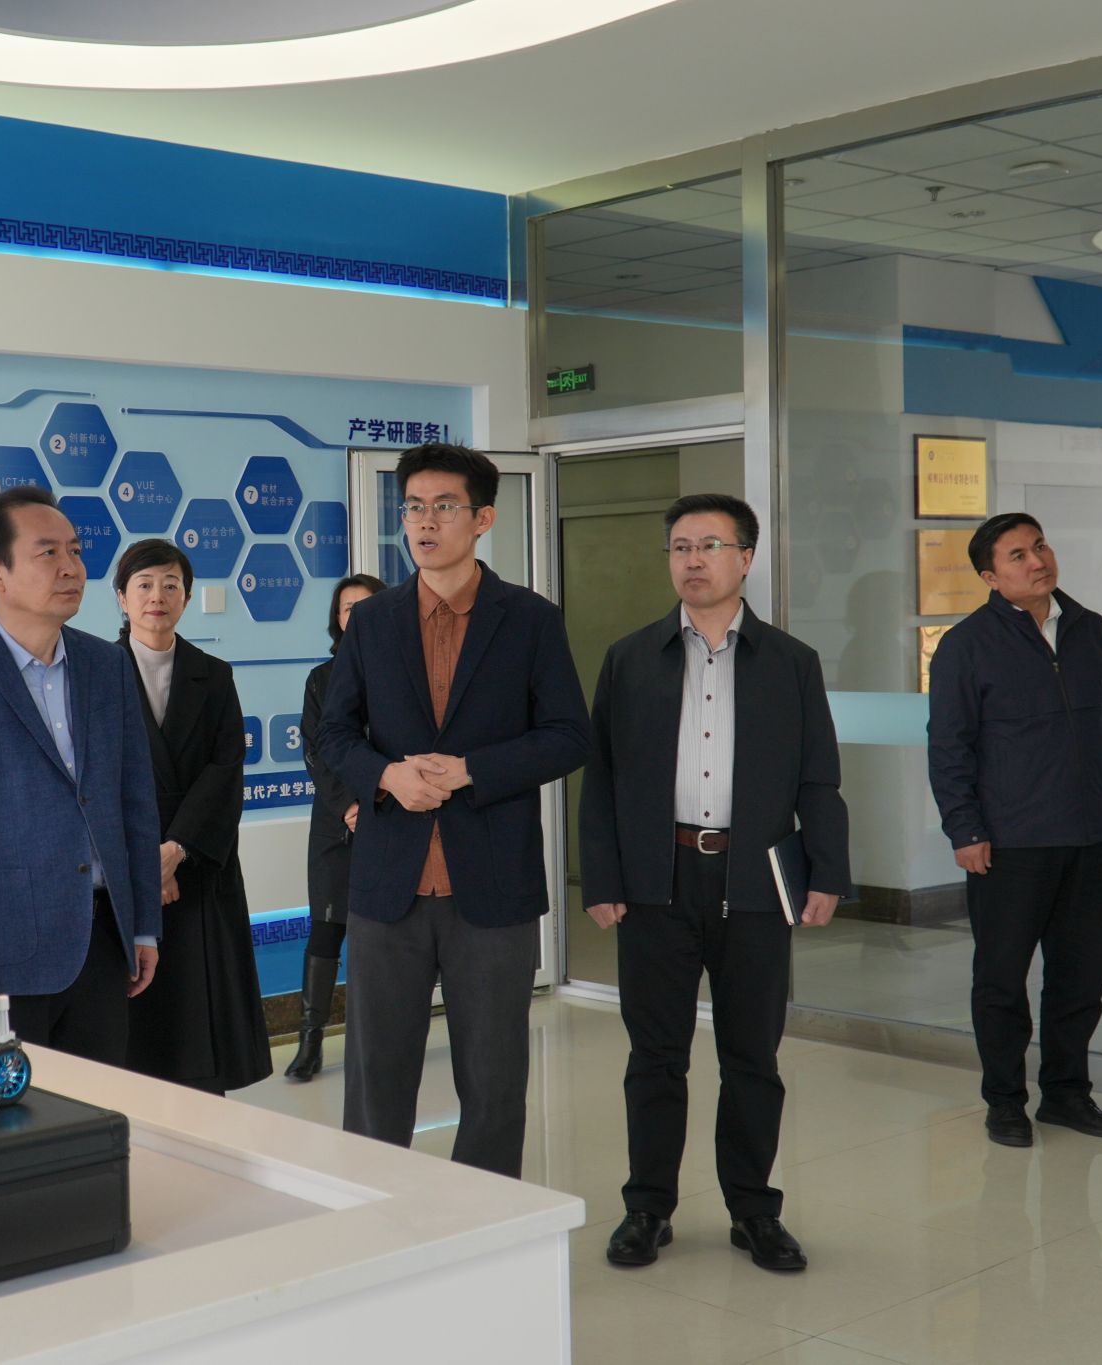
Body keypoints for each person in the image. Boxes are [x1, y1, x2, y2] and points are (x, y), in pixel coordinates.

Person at [580, 492, 850, 1273]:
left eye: (709, 545)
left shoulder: (791, 662)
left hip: (754, 883)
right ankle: (647, 1207)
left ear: (745, 558)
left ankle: (754, 1210)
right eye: (679, 547)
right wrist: (602, 876)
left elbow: (819, 778)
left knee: (752, 1057)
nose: (692, 560)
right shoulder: (630, 658)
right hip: (656, 882)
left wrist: (826, 871)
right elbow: (600, 780)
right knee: (655, 1055)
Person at [317, 443, 590, 1179]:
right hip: (388, 884)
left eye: (443, 506)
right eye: (413, 506)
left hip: (492, 886)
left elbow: (569, 735)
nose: (424, 521)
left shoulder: (530, 619)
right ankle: (376, 1213)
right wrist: (386, 776)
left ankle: (486, 1219)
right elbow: (334, 733)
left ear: (483, 519)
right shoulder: (373, 621)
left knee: (494, 1079)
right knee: (376, 1076)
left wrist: (473, 770)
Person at [0, 486, 162, 1065]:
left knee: (101, 1105)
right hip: (5, 957)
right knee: (16, 1109)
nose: (71, 567)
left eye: (75, 551)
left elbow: (135, 804)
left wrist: (143, 925)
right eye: (48, 553)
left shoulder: (107, 665)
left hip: (103, 942)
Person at [928, 512, 1102, 1147]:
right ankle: (1005, 1101)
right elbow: (950, 747)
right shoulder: (966, 644)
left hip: (1088, 836)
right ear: (990, 577)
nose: (1037, 560)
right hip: (1008, 843)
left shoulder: (1087, 628)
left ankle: (1067, 1095)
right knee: (1001, 980)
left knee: (1080, 978)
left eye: (1039, 545)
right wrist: (964, 829)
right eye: (1017, 555)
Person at [112, 538, 273, 1093]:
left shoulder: (214, 674)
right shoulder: (96, 672)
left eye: (171, 585)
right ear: (122, 598)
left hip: (199, 864)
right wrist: (146, 862)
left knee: (199, 1025)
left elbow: (226, 770)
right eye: (144, 585)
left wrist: (176, 850)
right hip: (125, 867)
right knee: (133, 1031)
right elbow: (93, 777)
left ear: (186, 597)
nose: (157, 596)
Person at [288, 572, 387, 1081]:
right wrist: (349, 803)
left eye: (366, 607)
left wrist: (375, 800)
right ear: (338, 619)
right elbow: (316, 750)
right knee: (326, 929)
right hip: (336, 822)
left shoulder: (402, 673)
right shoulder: (321, 680)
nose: (357, 616)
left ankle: (376, 1040)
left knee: (384, 934)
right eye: (348, 609)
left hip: (391, 818)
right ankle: (310, 1041)